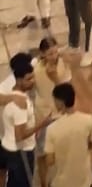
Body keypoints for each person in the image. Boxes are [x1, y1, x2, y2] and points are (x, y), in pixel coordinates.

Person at [2, 53, 46, 187]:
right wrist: (41, 124)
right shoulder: (20, 103)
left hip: (8, 145)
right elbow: (20, 136)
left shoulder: (19, 85)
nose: (33, 81)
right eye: (29, 79)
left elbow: (36, 60)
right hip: (21, 152)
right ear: (19, 80)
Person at [43, 84, 92, 187]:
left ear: (60, 102)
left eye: (55, 100)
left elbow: (50, 160)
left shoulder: (52, 129)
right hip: (85, 181)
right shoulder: (88, 119)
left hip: (61, 183)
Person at [33, 40, 70, 187]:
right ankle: (43, 182)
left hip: (60, 113)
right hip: (43, 115)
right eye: (50, 53)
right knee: (42, 153)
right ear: (42, 54)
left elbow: (66, 89)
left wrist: (55, 78)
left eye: (55, 52)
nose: (54, 56)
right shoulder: (36, 69)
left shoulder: (62, 64)